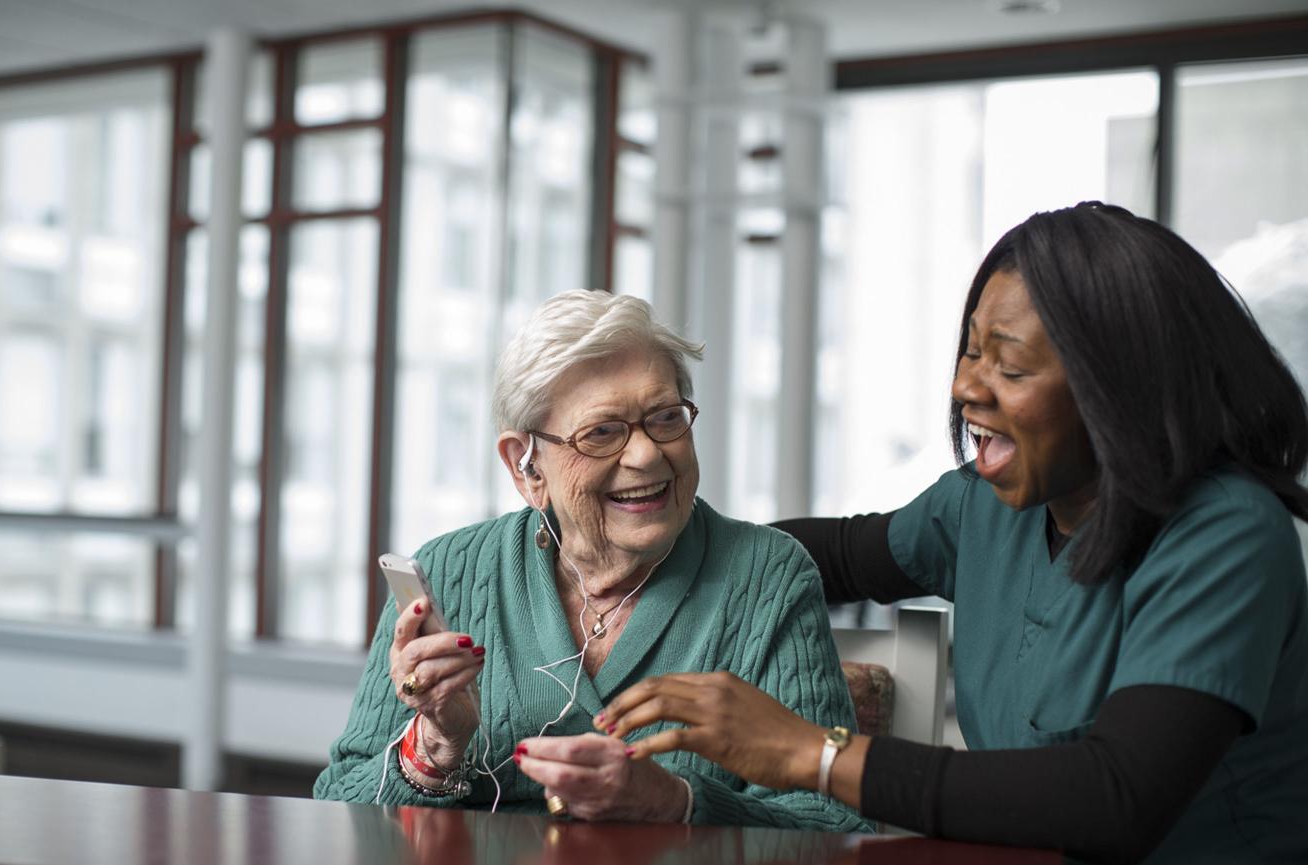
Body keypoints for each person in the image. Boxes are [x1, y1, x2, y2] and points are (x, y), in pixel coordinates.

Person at [595, 203, 1308, 864]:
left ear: (1119, 383)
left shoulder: (1228, 536)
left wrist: (809, 753)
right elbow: (837, 555)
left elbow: (1116, 796)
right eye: (971, 352)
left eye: (1012, 364)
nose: (967, 387)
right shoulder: (988, 509)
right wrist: (635, 541)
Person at [314, 289, 870, 831]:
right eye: (602, 433)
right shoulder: (449, 574)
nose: (648, 452)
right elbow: (337, 807)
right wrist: (435, 747)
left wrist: (676, 804)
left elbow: (833, 827)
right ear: (527, 467)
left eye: (666, 418)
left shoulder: (766, 577)